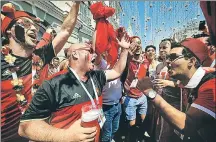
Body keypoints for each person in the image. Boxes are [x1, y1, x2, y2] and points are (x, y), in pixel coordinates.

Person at [18, 34, 136, 141]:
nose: (93, 54)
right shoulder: (54, 83)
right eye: (89, 51)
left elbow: (117, 71)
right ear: (74, 54)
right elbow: (26, 126)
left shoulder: (96, 76)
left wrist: (125, 50)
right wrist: (66, 136)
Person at [1, 2, 80, 141]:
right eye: (26, 23)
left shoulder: (41, 55)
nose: (34, 28)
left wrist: (76, 3)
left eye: (34, 26)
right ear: (9, 30)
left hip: (40, 133)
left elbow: (65, 31)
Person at [137, 38, 216, 142]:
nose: (168, 61)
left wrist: (150, 93)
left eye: (173, 57)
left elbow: (187, 124)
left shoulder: (211, 85)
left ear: (191, 61)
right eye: (168, 57)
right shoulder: (184, 80)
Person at [153, 38, 181, 142]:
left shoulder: (177, 65)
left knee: (168, 133)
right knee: (159, 128)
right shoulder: (159, 66)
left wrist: (168, 83)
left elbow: (185, 84)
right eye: (160, 48)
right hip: (159, 102)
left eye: (164, 47)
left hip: (173, 104)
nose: (161, 50)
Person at [123, 36, 148, 142]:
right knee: (131, 125)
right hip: (130, 98)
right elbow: (124, 56)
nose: (137, 45)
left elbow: (143, 77)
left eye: (139, 43)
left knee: (144, 120)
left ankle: (141, 138)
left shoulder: (145, 61)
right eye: (134, 43)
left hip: (142, 97)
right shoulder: (127, 59)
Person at [94, 53, 123, 142]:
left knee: (115, 129)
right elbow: (97, 56)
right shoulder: (102, 63)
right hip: (106, 107)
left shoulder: (117, 63)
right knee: (106, 133)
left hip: (117, 104)